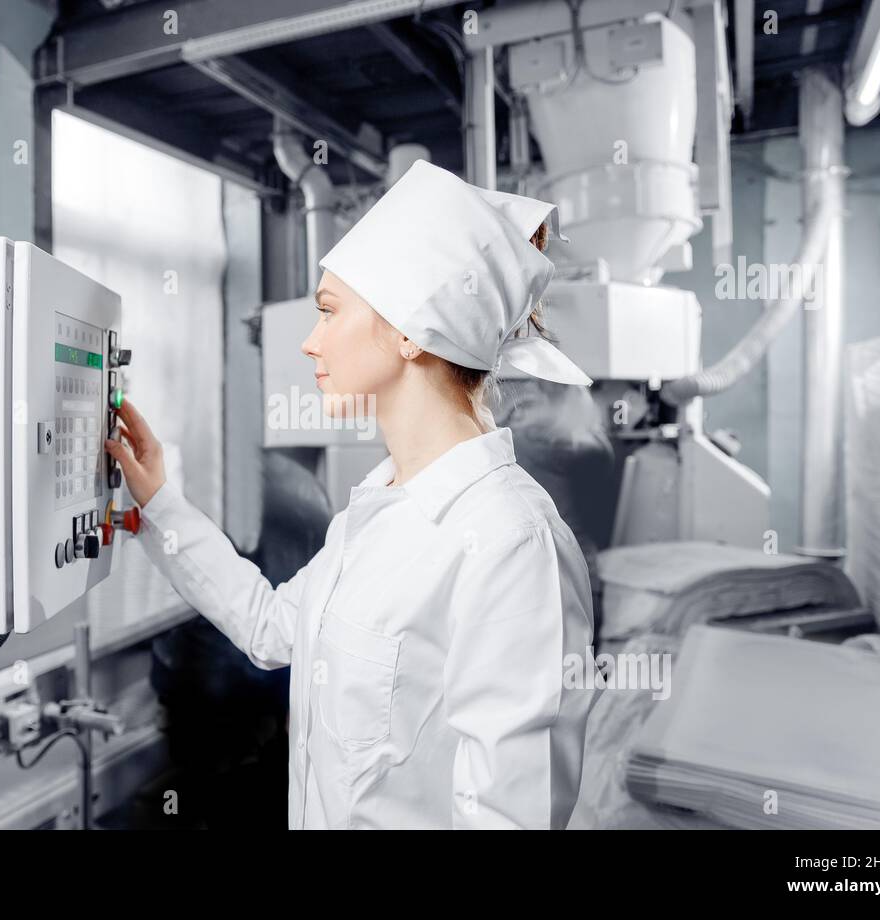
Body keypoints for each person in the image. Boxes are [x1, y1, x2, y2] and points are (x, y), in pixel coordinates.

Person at [104, 159, 596, 829]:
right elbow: (271, 629)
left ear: (407, 333)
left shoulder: (511, 543)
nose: (310, 342)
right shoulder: (376, 508)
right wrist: (160, 505)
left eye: (329, 312)